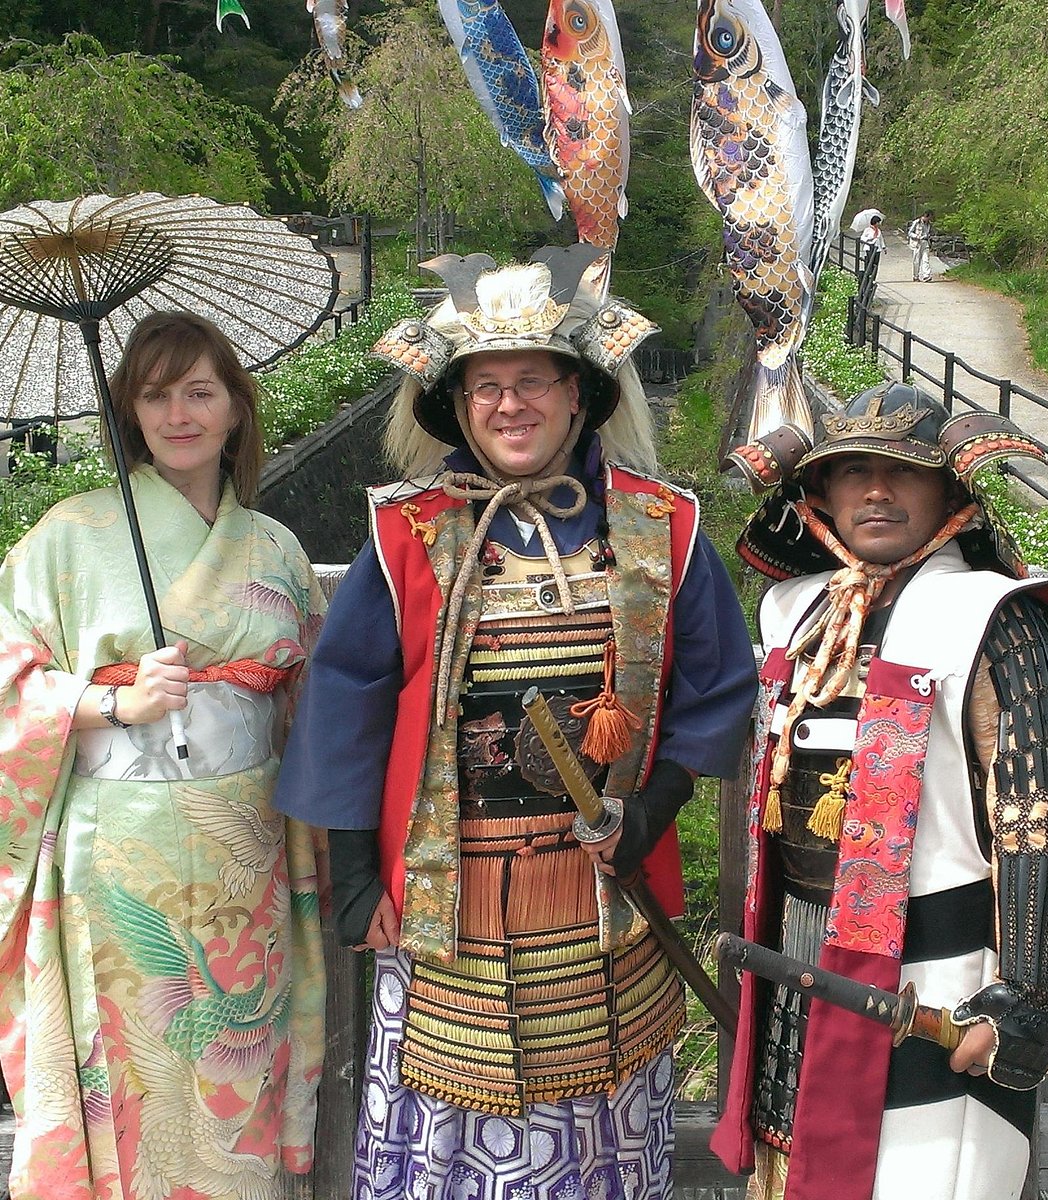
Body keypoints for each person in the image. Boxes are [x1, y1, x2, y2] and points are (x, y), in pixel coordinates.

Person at [273, 244, 760, 1199]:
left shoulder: (662, 525)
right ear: (456, 406)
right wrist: (359, 877)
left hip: (603, 884)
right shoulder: (406, 531)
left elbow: (716, 684)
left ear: (579, 393)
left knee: (599, 1121)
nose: (510, 405)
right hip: (446, 896)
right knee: (450, 1134)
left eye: (533, 380)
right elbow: (348, 701)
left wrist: (655, 808)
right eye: (485, 386)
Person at [712, 381, 1048, 1200]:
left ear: (951, 493)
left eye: (902, 473)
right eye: (851, 472)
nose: (875, 491)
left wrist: (1027, 995)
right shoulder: (792, 609)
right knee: (795, 1165)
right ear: (819, 496)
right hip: (801, 952)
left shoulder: (999, 616)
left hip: (941, 972)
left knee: (921, 1174)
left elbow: (1038, 817)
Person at [0, 311, 327, 1198]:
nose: (179, 413)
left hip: (246, 849)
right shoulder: (69, 537)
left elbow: (314, 707)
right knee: (132, 1056)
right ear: (130, 413)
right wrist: (112, 701)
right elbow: (5, 679)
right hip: (120, 849)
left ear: (233, 409)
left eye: (199, 391)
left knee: (239, 1055)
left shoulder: (277, 550)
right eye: (156, 395)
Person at [907, 209, 934, 281]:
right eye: (929, 217)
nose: (929, 219)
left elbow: (929, 233)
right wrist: (917, 236)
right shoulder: (917, 222)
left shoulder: (929, 224)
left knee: (926, 259)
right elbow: (910, 233)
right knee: (916, 260)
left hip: (925, 242)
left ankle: (926, 275)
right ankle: (915, 276)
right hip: (917, 243)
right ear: (925, 216)